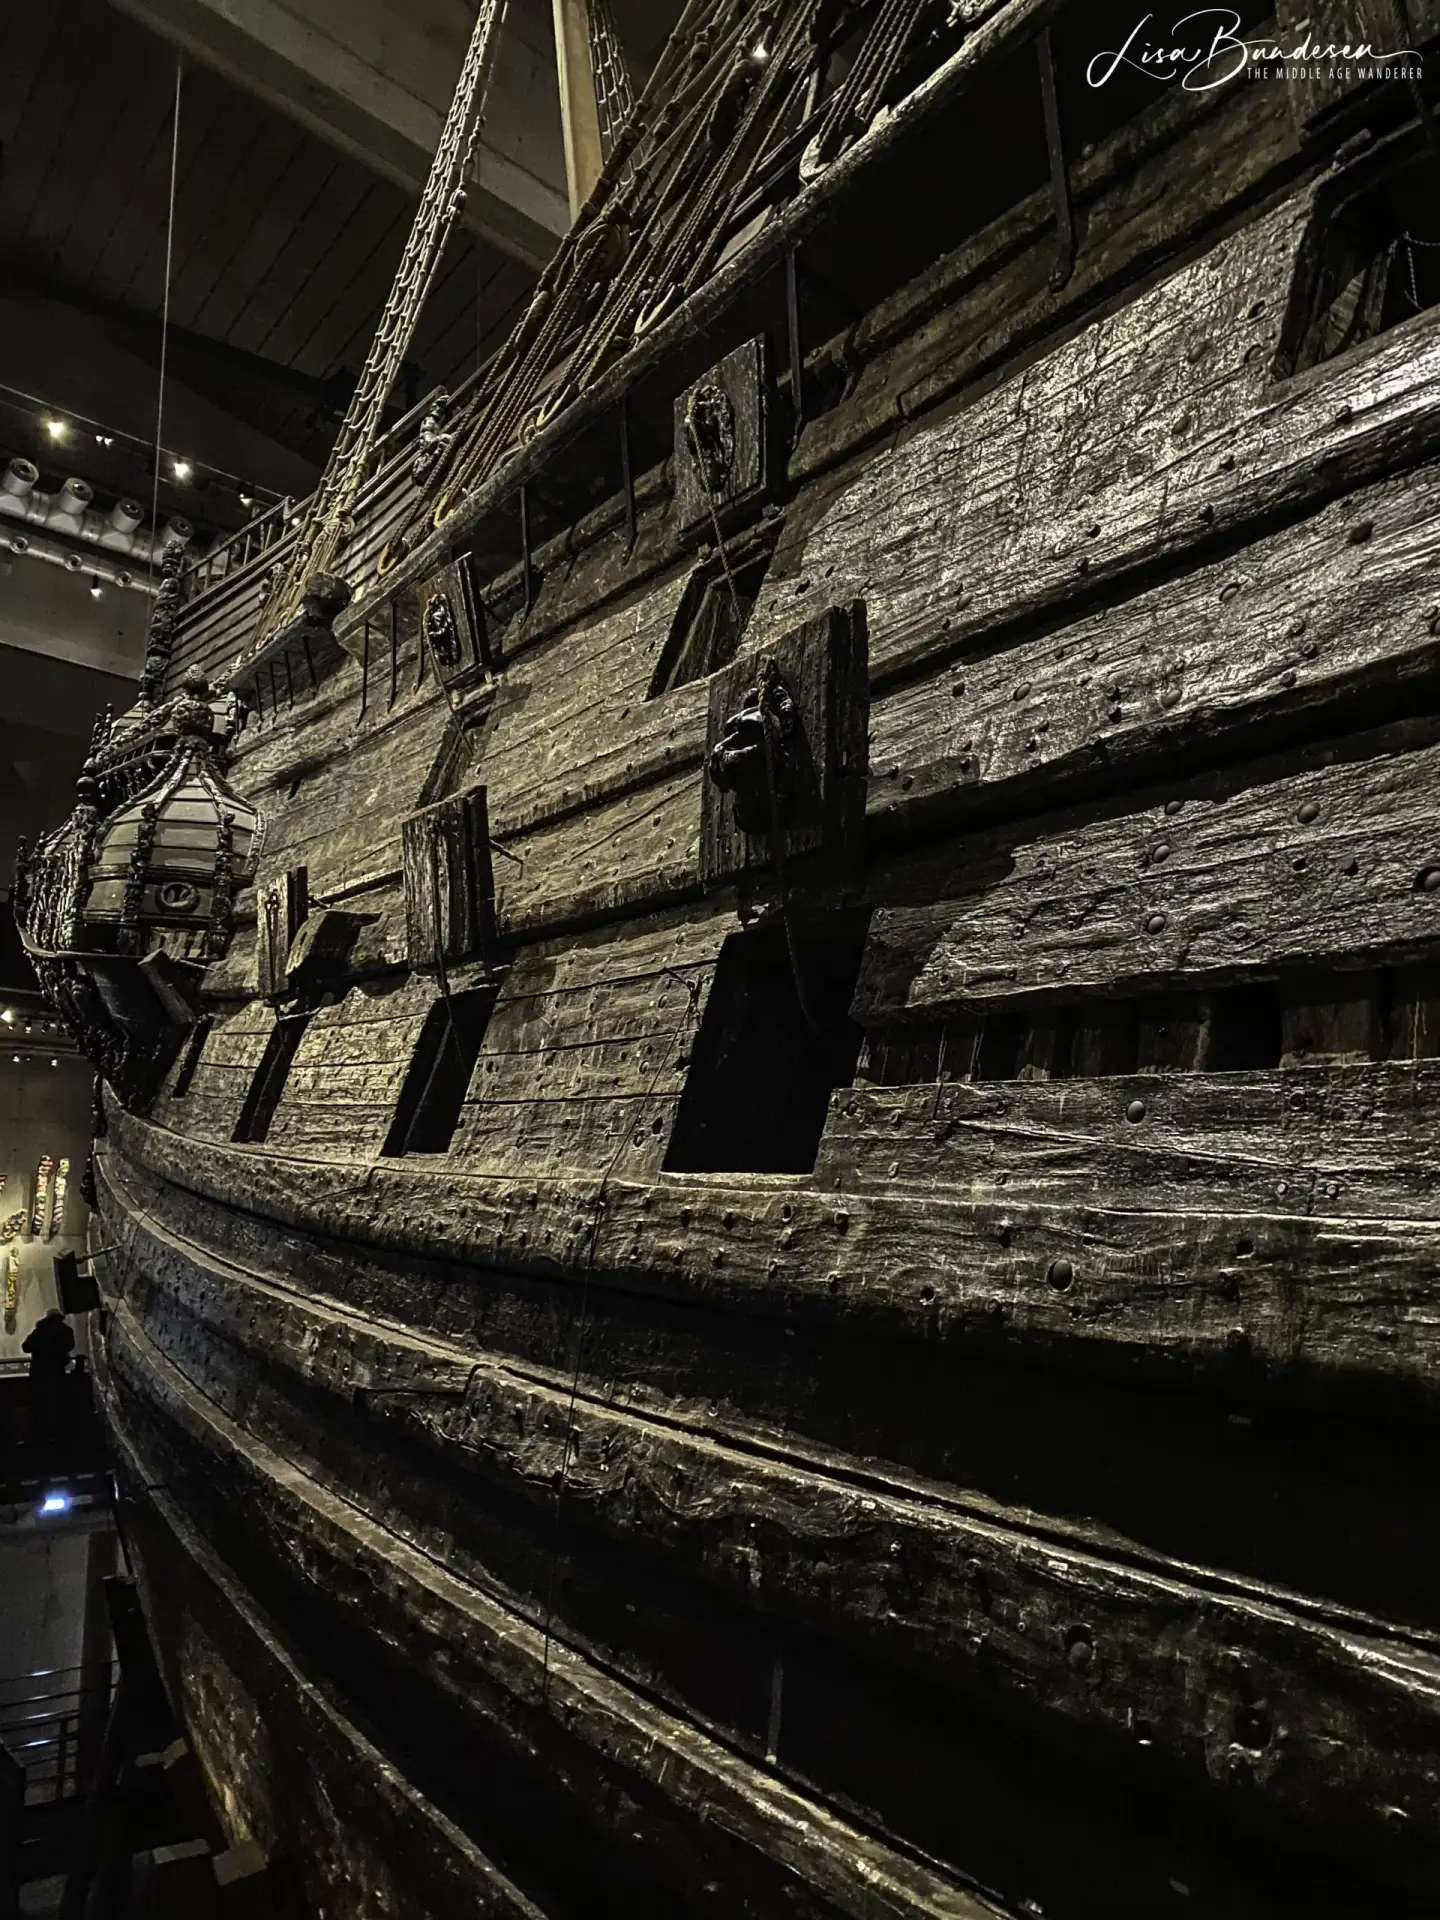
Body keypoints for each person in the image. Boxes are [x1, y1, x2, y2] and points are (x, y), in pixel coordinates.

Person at [23, 1307, 75, 1455]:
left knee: (40, 1406)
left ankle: (39, 1440)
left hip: (39, 1373)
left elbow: (26, 1347)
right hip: (57, 1373)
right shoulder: (66, 1332)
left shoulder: (39, 1332)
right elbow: (70, 1346)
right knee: (58, 1406)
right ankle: (59, 1438)